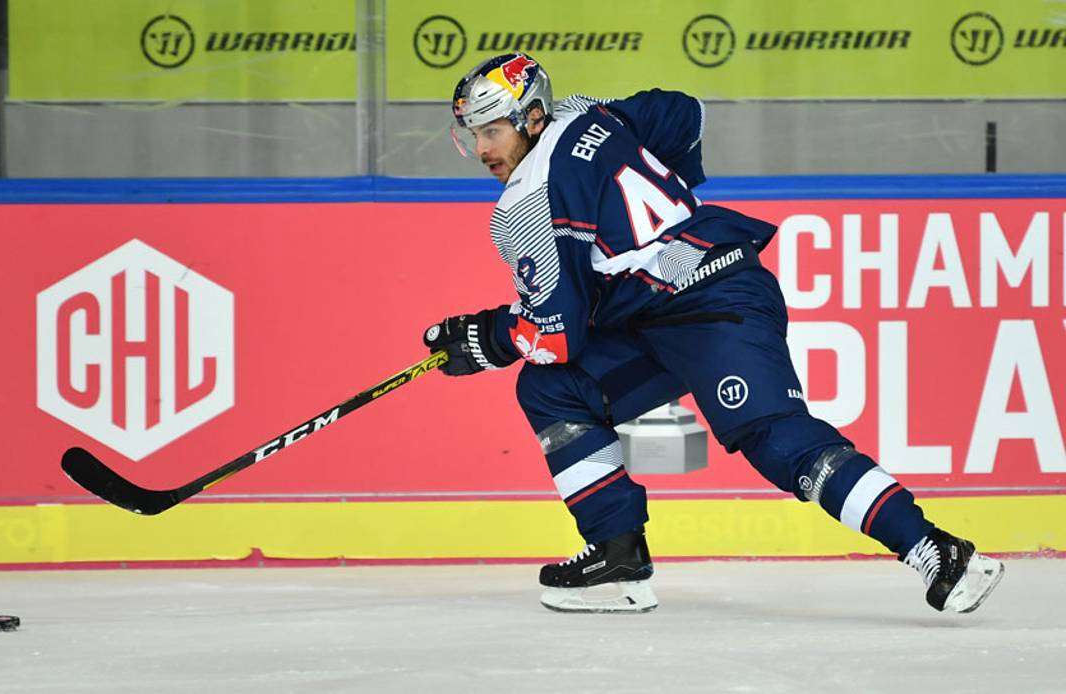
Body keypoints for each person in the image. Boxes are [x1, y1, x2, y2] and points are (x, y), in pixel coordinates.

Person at [421, 53, 1005, 614]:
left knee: (776, 439)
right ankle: (618, 555)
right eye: (470, 134)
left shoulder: (523, 207)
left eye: (491, 131)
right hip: (655, 313)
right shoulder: (587, 112)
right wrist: (674, 207)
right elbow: (684, 110)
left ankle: (937, 550)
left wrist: (484, 338)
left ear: (530, 118)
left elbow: (555, 335)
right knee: (552, 390)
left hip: (715, 301)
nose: (480, 150)